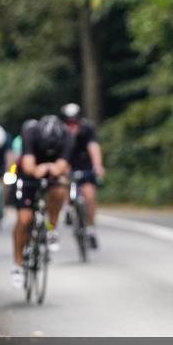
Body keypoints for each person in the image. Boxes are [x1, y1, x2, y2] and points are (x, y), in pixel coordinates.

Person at [10, 115, 72, 288]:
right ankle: (17, 265)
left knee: (60, 190)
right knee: (24, 219)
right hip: (28, 175)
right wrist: (43, 169)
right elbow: (30, 167)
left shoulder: (67, 136)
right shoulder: (30, 131)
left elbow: (62, 166)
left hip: (51, 173)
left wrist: (50, 169)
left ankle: (51, 228)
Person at [60, 103, 106, 248]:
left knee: (90, 196)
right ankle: (67, 207)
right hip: (66, 162)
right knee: (63, 180)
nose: (72, 126)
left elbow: (93, 147)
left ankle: (91, 229)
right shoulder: (61, 132)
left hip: (84, 163)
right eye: (69, 122)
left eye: (74, 122)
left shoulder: (87, 129)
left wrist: (97, 166)